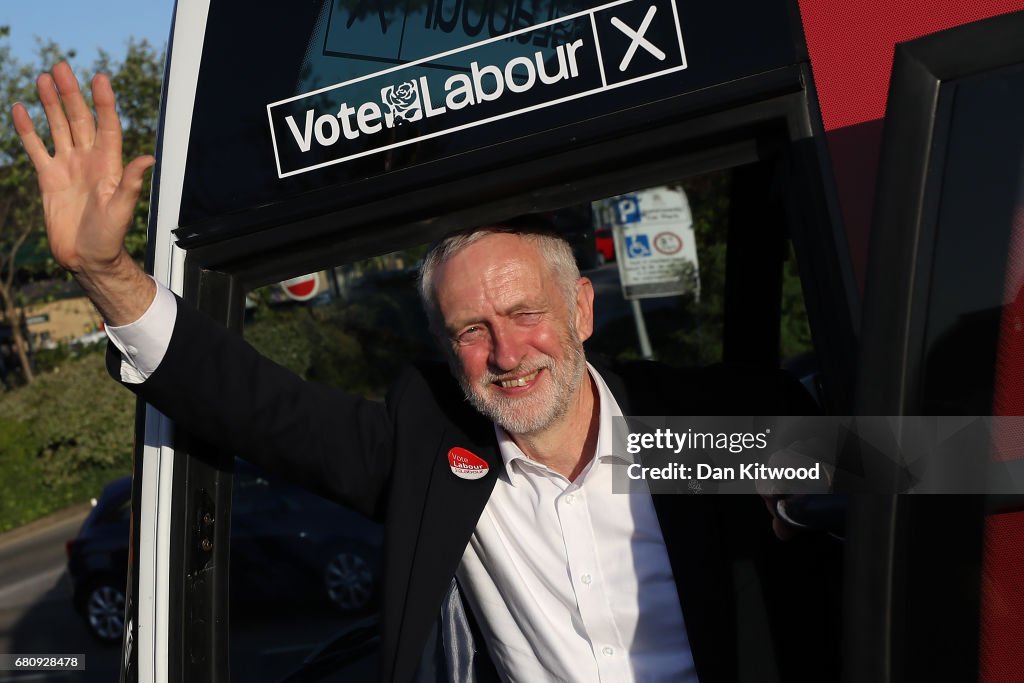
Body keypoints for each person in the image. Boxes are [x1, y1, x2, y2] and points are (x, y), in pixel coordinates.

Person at [14, 64, 839, 682]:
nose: (508, 354)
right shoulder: (430, 451)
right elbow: (254, 406)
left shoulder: (700, 428)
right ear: (447, 348)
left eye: (525, 315)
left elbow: (927, 475)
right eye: (473, 330)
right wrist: (102, 269)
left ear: (581, 309)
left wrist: (820, 498)